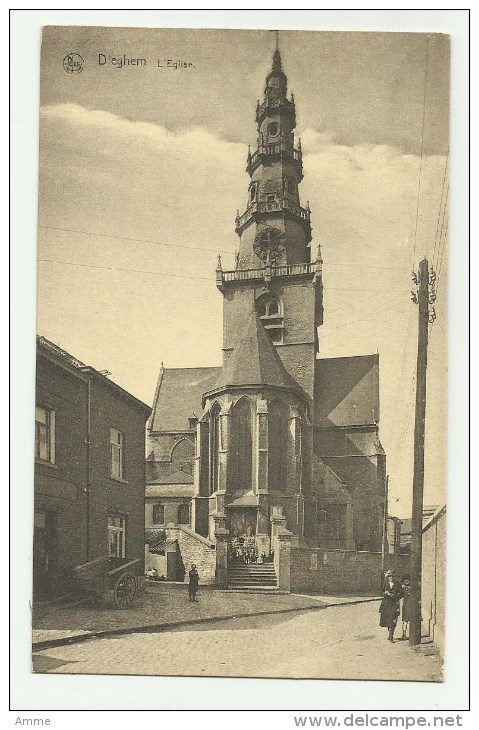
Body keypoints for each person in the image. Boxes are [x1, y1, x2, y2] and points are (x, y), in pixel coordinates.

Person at [379, 569, 404, 642]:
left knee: (393, 619)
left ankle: (391, 636)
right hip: (386, 604)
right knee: (387, 620)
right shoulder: (385, 584)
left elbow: (402, 593)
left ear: (394, 577)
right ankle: (390, 633)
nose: (391, 578)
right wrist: (385, 593)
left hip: (394, 604)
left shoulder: (398, 584)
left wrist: (395, 596)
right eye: (390, 576)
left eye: (392, 576)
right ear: (388, 577)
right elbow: (381, 591)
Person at [401, 574, 411, 640]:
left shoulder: (412, 588)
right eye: (405, 580)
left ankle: (411, 634)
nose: (406, 581)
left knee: (412, 620)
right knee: (405, 621)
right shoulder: (403, 588)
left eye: (407, 580)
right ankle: (404, 634)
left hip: (411, 606)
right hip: (406, 605)